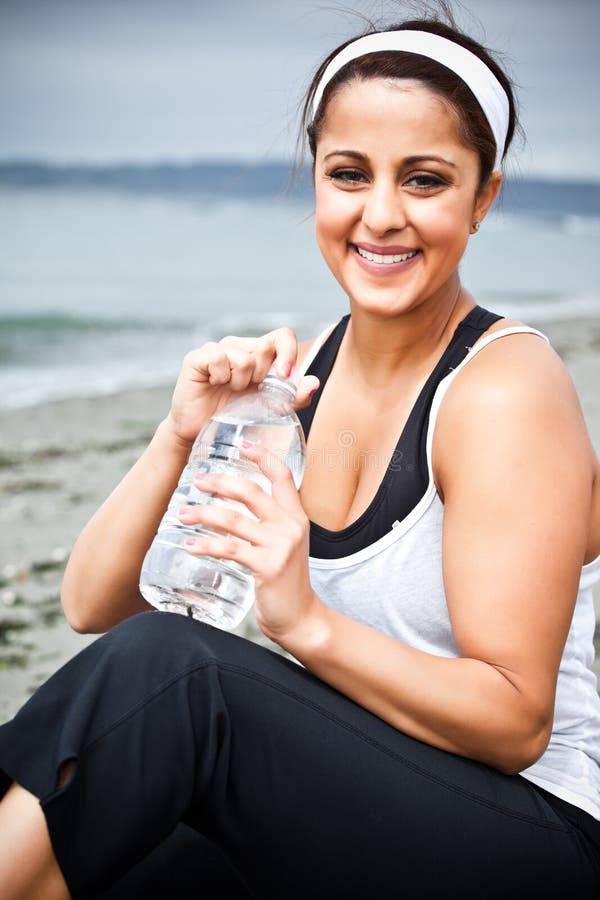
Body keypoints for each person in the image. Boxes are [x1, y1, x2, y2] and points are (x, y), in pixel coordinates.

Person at [1, 10, 599, 900]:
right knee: (101, 833)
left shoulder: (504, 389)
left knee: (181, 673)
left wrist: (302, 623)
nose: (382, 215)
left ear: (485, 198)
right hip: (360, 794)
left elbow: (514, 723)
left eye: (426, 180)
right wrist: (180, 436)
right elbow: (94, 605)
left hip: (531, 833)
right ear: (315, 182)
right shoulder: (306, 375)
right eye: (349, 174)